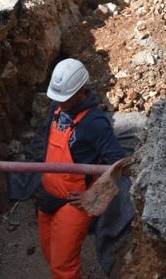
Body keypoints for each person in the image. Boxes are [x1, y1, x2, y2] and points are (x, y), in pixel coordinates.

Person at [36, 58, 126, 279]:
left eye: (65, 99)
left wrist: (94, 195)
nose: (60, 103)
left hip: (73, 203)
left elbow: (118, 162)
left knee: (63, 267)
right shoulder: (55, 109)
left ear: (80, 91)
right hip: (47, 195)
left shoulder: (95, 123)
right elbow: (48, 143)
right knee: (51, 255)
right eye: (57, 98)